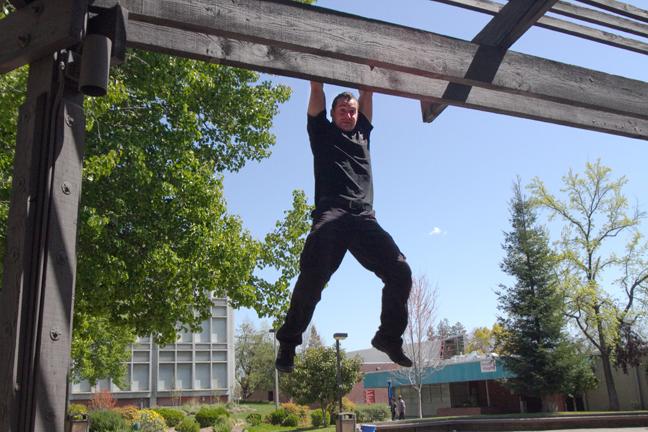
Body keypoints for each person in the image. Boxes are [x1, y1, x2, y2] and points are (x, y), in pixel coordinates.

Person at [274, 81, 413, 373]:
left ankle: (388, 337)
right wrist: (317, 82)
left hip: (364, 218)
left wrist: (370, 82)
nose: (348, 115)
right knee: (313, 275)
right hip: (332, 213)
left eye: (352, 111)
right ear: (333, 114)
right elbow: (315, 92)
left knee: (400, 271)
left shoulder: (363, 134)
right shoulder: (322, 133)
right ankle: (288, 342)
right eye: (342, 110)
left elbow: (368, 91)